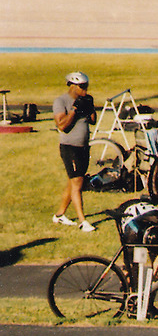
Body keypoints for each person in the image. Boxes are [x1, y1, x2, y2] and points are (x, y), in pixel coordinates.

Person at [52, 70, 97, 232]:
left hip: (84, 147)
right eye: (82, 87)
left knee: (74, 181)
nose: (85, 89)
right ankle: (83, 221)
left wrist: (90, 106)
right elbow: (62, 126)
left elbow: (93, 121)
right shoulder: (61, 101)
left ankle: (59, 215)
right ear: (72, 86)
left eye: (86, 86)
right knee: (77, 182)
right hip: (69, 147)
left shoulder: (85, 99)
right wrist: (74, 110)